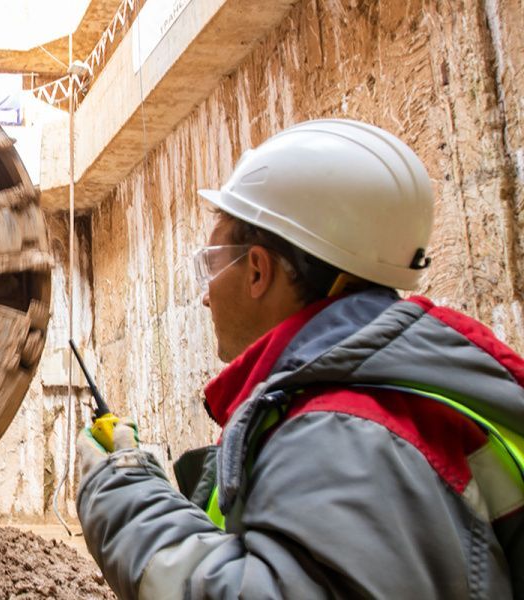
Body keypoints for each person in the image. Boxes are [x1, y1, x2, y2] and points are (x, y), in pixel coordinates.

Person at [76, 119, 524, 598]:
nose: (205, 296)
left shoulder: (347, 432)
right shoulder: (410, 389)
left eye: (212, 263)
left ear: (256, 270)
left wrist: (123, 492)